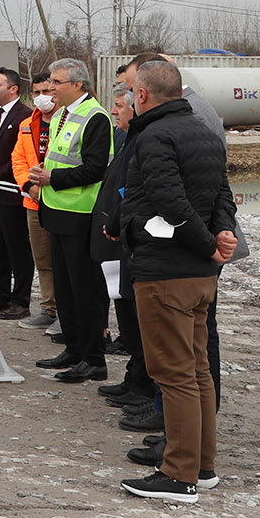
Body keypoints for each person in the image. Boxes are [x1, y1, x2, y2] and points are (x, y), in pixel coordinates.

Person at [115, 60, 236, 502]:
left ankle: (179, 474)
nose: (127, 99)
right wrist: (221, 234)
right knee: (199, 370)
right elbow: (223, 194)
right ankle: (203, 466)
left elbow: (169, 201)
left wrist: (208, 243)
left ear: (142, 95)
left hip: (167, 273)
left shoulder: (155, 136)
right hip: (200, 275)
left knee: (174, 373)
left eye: (130, 93)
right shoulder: (204, 130)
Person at [29, 58, 114, 384]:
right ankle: (74, 347)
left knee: (84, 290)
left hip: (80, 215)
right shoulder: (63, 114)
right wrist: (41, 179)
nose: (50, 88)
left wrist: (53, 178)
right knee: (64, 289)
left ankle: (93, 359)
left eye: (56, 82)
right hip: (56, 211)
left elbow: (95, 169)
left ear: (78, 84)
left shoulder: (95, 117)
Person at [91, 82, 155, 412]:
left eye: (119, 106)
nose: (113, 111)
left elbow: (133, 190)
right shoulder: (126, 138)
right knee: (128, 314)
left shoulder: (144, 140)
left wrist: (117, 223)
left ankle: (144, 386)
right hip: (121, 238)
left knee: (141, 320)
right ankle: (135, 377)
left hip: (136, 242)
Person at [0, 68, 34, 317]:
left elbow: (20, 156)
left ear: (13, 88)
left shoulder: (26, 116)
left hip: (11, 190)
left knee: (17, 247)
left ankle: (21, 299)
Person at [11, 71, 59, 331]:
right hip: (34, 202)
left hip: (63, 200)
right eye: (37, 93)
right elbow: (18, 159)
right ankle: (49, 308)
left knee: (63, 258)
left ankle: (67, 311)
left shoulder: (68, 122)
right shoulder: (28, 124)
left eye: (47, 92)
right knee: (42, 259)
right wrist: (28, 186)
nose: (41, 98)